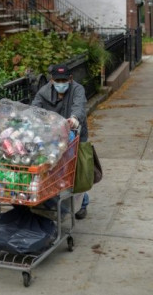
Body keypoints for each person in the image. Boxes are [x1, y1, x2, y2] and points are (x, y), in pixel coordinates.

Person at [31, 63, 90, 219]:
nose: (61, 84)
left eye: (64, 81)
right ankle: (54, 202)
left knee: (75, 171)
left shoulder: (77, 90)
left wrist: (75, 119)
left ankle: (82, 203)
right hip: (52, 139)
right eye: (58, 81)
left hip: (74, 137)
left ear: (70, 79)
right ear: (52, 80)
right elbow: (34, 110)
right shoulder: (43, 93)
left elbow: (79, 106)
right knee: (54, 170)